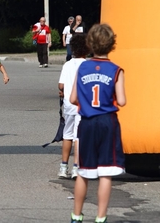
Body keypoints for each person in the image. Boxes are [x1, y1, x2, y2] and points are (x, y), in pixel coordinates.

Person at [69, 23, 126, 223]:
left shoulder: (82, 67)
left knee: (83, 171)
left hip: (87, 121)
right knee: (105, 172)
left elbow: (73, 98)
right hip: (107, 121)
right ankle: (100, 217)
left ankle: (76, 216)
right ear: (112, 44)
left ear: (90, 43)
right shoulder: (116, 70)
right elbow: (121, 101)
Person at [57, 33, 91, 179]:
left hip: (68, 105)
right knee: (79, 136)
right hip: (82, 105)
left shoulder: (67, 64)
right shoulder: (88, 65)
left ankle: (63, 167)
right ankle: (77, 167)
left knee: (67, 135)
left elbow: (61, 85)